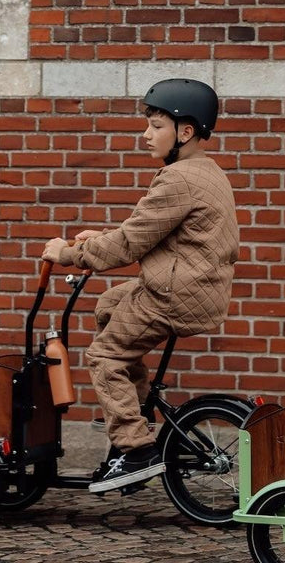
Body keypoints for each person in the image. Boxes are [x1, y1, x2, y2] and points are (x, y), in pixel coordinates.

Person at [41, 78, 239, 492]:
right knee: (111, 306)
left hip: (175, 295)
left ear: (184, 132)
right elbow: (148, 231)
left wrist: (67, 254)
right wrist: (99, 238)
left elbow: (129, 245)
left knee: (104, 357)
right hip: (192, 286)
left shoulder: (176, 179)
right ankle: (136, 409)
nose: (145, 134)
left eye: (155, 126)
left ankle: (135, 448)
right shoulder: (202, 170)